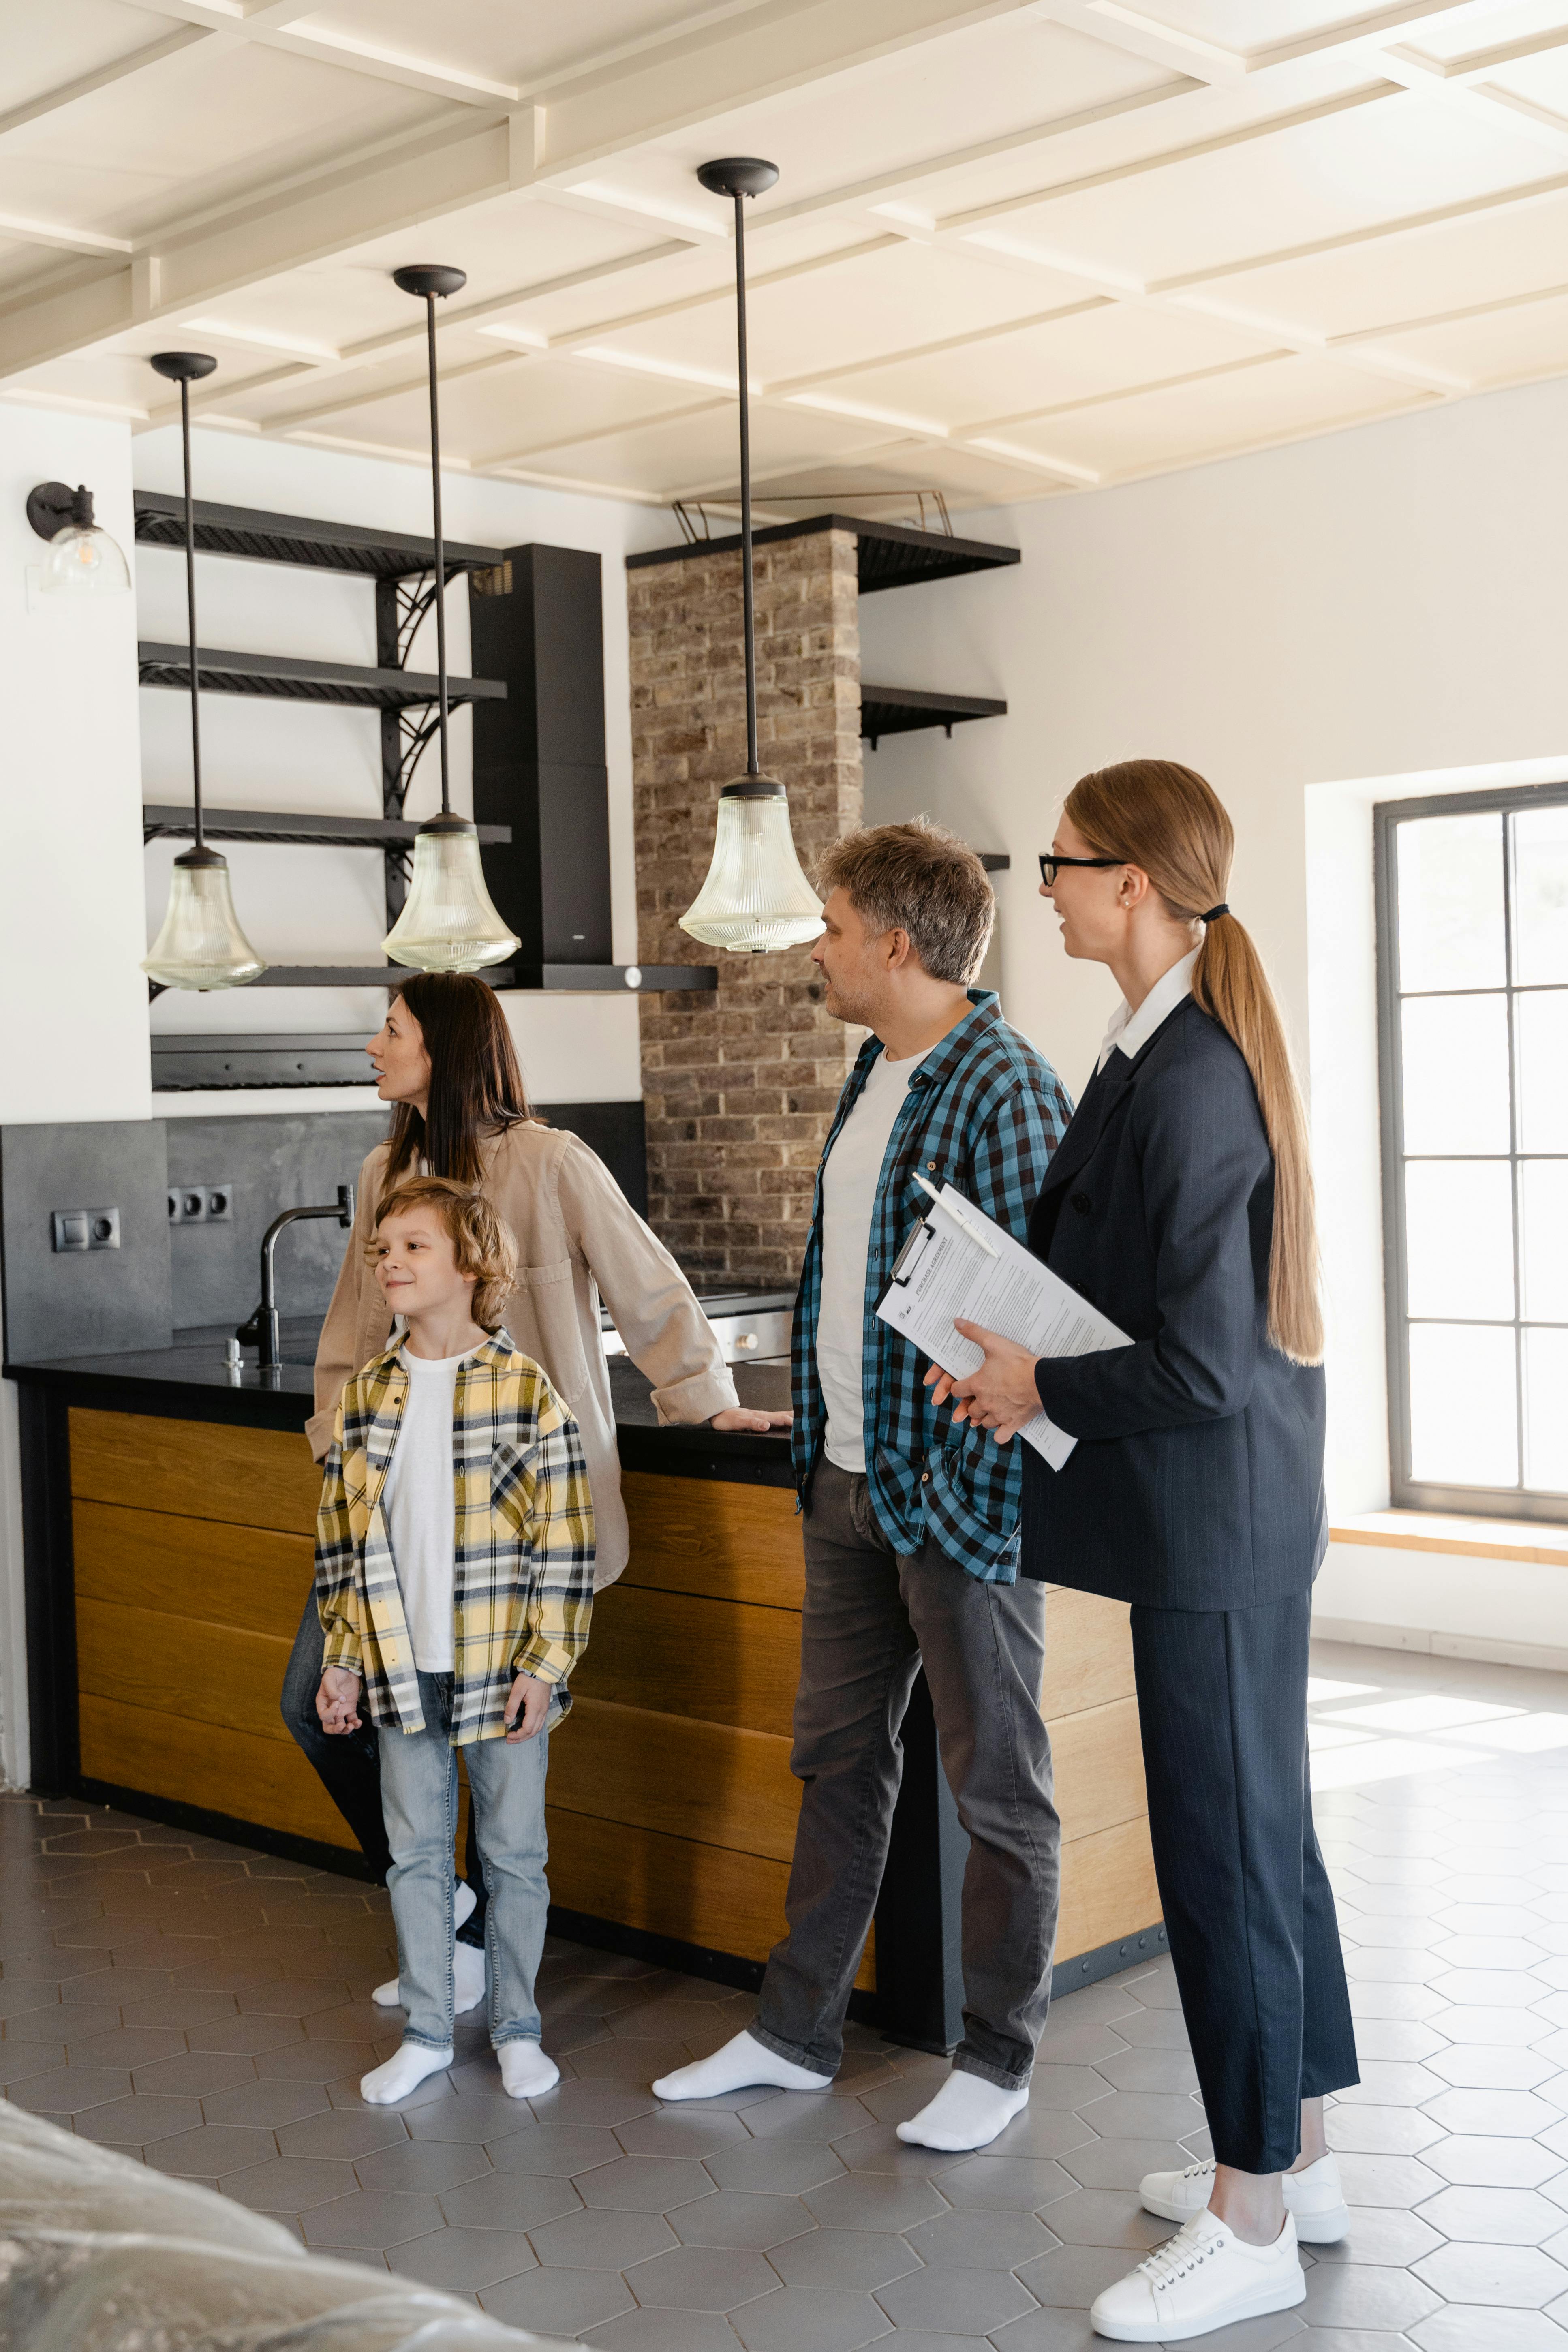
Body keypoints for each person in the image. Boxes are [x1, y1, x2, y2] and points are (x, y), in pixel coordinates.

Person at [936, 760, 1356, 2342]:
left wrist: (1030, 1376)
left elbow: (1192, 1360)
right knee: (1266, 1837)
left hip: (1214, 1522)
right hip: (1223, 1517)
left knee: (1224, 1854)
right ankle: (1296, 2153)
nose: (1038, 886)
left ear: (1130, 883)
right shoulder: (1159, 1047)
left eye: (1058, 862)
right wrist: (1011, 1344)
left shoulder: (1182, 1072)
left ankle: (1250, 2213)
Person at [653, 820, 1073, 2153]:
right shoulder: (873, 1068)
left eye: (832, 929)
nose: (817, 952)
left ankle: (1000, 2058)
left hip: (952, 1496)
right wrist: (825, 1414)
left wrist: (943, 1464)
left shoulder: (1003, 1085)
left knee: (998, 1783)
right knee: (837, 1760)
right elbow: (862, 1279)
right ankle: (793, 2032)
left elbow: (1025, 1323)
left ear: (895, 944)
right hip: (840, 1477)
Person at [283, 972, 787, 2010]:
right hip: (393, 1522)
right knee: (315, 1704)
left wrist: (704, 1402)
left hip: (518, 1527)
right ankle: (455, 1916)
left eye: (392, 1028)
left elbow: (652, 1290)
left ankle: (488, 1971)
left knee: (493, 1755)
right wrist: (341, 1449)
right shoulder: (386, 1170)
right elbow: (346, 1340)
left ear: (448, 1046)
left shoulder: (553, 1162)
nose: (374, 1045)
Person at [314, 1175, 594, 2106]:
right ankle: (431, 2031)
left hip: (498, 1672)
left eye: (414, 1246)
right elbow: (343, 1548)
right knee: (417, 1856)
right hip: (399, 1668)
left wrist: (545, 1668)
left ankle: (517, 2028)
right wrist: (343, 1660)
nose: (390, 1260)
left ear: (472, 1264)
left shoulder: (526, 1395)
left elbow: (563, 1546)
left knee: (513, 1856)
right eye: (382, 1248)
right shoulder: (366, 1397)